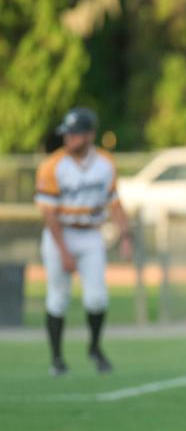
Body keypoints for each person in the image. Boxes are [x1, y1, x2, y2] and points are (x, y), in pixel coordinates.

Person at [35, 107, 132, 376]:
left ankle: (95, 348)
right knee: (58, 297)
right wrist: (64, 251)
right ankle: (56, 358)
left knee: (97, 298)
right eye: (67, 134)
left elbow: (114, 203)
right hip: (60, 234)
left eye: (75, 134)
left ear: (90, 135)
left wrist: (125, 236)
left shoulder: (105, 163)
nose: (69, 138)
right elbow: (49, 214)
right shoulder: (52, 166)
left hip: (90, 234)